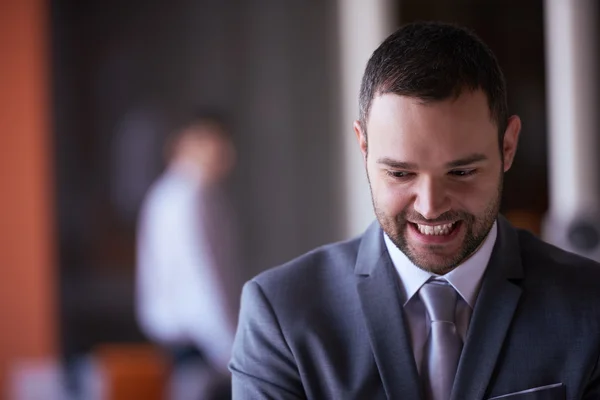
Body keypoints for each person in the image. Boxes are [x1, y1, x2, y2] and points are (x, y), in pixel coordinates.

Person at [230, 21, 600, 400]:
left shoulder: (590, 306)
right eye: (400, 173)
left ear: (508, 146)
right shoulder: (281, 314)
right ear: (364, 147)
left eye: (461, 172)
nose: (430, 206)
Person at [136, 111, 238, 399]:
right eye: (215, 141)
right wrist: (231, 350)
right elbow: (202, 278)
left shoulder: (180, 194)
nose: (226, 152)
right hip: (199, 343)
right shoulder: (187, 198)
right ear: (186, 142)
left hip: (195, 341)